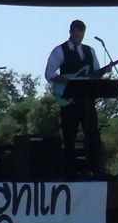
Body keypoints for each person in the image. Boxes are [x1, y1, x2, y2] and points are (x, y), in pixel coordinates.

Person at [45, 20, 104, 178]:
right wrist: (67, 81)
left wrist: (103, 72)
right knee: (69, 137)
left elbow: (96, 72)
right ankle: (69, 172)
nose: (79, 39)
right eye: (77, 36)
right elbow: (49, 73)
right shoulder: (60, 51)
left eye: (82, 36)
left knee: (93, 135)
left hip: (87, 100)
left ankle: (94, 169)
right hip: (69, 101)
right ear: (71, 32)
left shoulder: (89, 51)